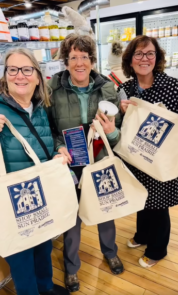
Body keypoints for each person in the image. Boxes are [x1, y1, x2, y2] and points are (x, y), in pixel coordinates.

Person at [47, 34, 123, 293]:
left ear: (92, 60)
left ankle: (110, 252)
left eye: (84, 57)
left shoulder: (107, 88)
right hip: (69, 163)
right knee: (72, 218)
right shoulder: (52, 90)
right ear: (65, 61)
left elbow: (118, 131)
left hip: (100, 161)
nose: (79, 63)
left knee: (106, 210)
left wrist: (111, 133)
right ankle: (71, 268)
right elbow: (50, 128)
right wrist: (58, 146)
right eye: (73, 57)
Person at [0, 48, 70, 295]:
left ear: (38, 76)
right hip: (12, 200)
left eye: (27, 69)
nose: (20, 75)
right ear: (5, 75)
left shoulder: (40, 106)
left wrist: (59, 149)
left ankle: (47, 288)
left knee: (43, 244)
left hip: (41, 191)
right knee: (20, 257)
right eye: (13, 69)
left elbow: (48, 137)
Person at [120, 35, 178, 268]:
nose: (144, 58)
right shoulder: (124, 89)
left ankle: (157, 250)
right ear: (130, 60)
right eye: (139, 54)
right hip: (135, 157)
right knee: (140, 197)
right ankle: (142, 235)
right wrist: (120, 110)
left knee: (159, 203)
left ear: (157, 58)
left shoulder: (173, 87)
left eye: (150, 54)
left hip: (161, 158)